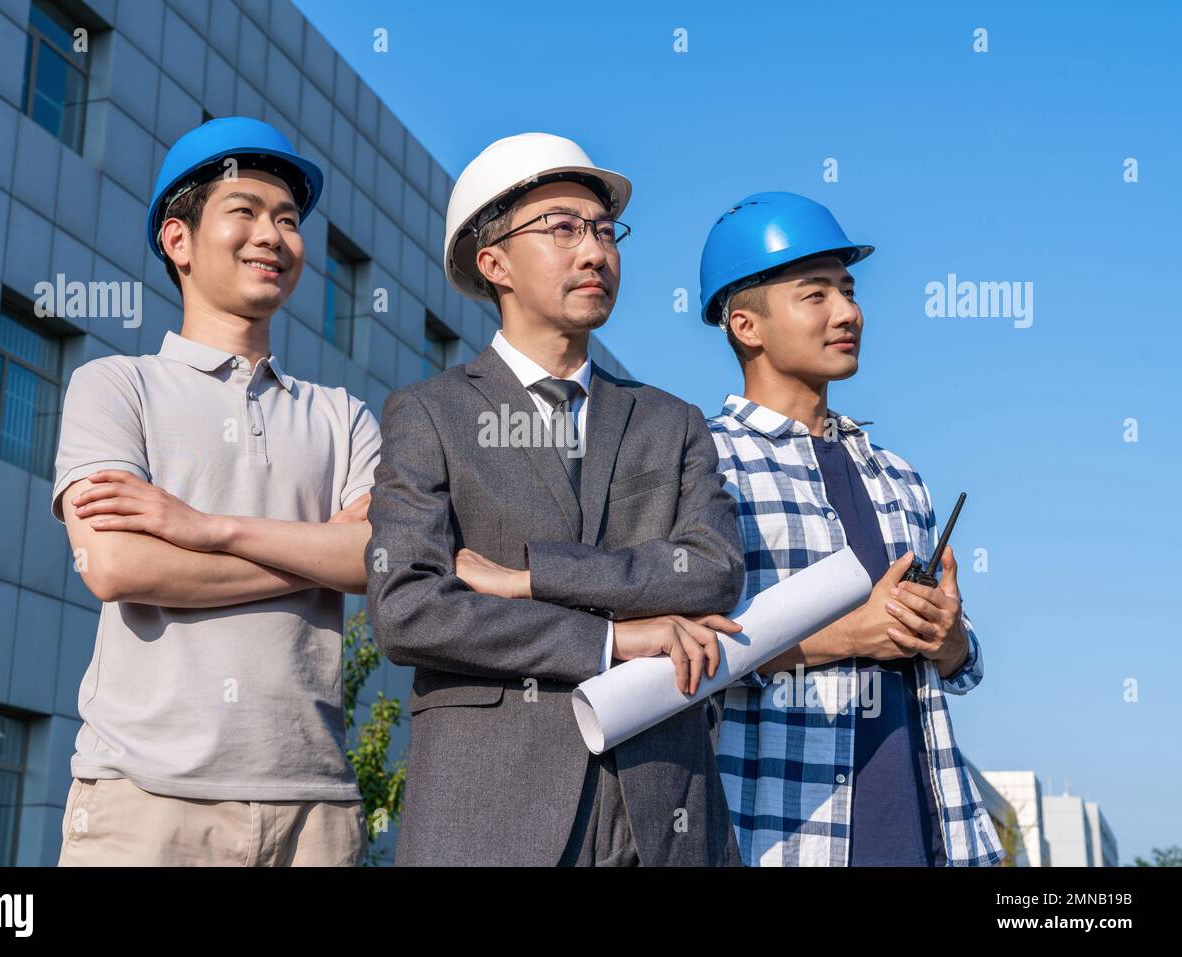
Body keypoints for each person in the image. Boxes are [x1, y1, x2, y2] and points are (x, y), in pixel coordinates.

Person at [365, 132, 746, 866]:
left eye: (605, 231)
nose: (595, 251)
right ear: (493, 261)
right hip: (493, 812)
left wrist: (537, 576)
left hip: (661, 807)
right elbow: (408, 607)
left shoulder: (671, 420)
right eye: (563, 228)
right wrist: (611, 640)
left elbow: (712, 571)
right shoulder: (429, 413)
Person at [51, 117, 379, 866]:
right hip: (145, 800)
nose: (274, 234)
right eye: (246, 211)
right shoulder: (114, 385)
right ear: (179, 240)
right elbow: (116, 567)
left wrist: (204, 528)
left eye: (289, 219)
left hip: (315, 808)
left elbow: (377, 557)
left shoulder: (341, 414)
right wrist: (317, 552)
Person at [702, 191, 1003, 866]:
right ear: (746, 326)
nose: (848, 312)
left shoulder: (898, 475)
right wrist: (846, 634)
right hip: (781, 838)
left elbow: (962, 661)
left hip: (928, 834)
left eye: (849, 289)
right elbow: (679, 657)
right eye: (816, 295)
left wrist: (949, 638)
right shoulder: (705, 461)